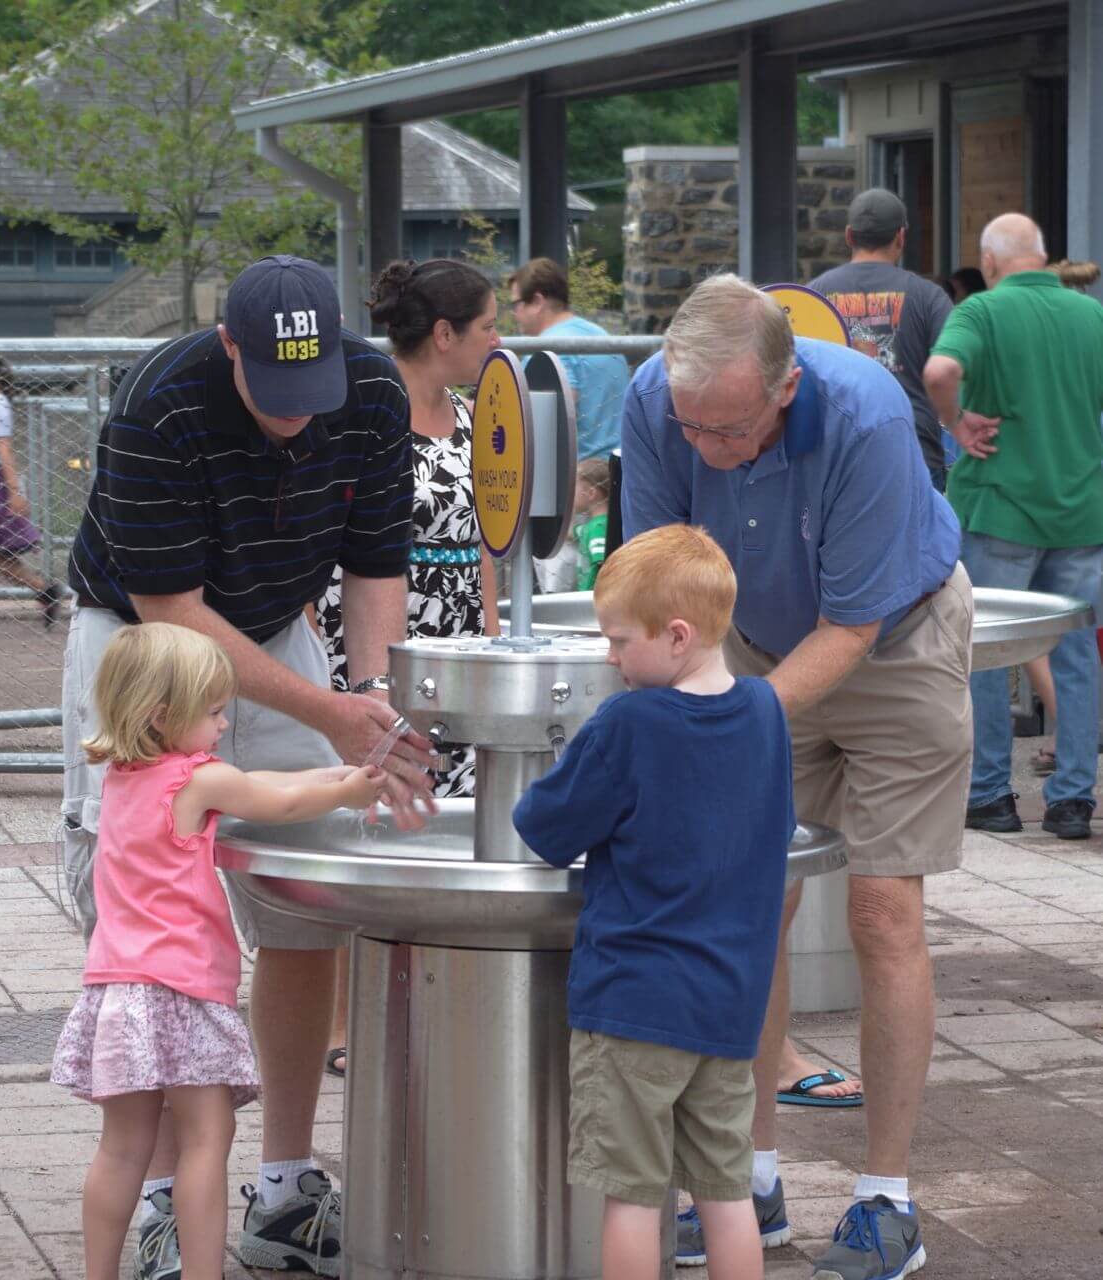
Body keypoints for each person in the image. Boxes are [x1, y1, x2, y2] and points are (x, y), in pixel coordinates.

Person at [62, 254, 435, 1280]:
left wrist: (372, 702)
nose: (294, 421)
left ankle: (282, 1187)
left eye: (308, 398)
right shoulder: (160, 408)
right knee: (136, 900)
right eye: (275, 394)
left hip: (274, 625)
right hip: (142, 635)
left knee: (305, 894)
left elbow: (373, 566)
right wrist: (331, 716)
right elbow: (171, 612)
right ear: (230, 345)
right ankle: (152, 1195)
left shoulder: (366, 395)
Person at [622, 273, 970, 1280]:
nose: (706, 452)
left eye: (726, 431)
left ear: (780, 389)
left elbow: (853, 625)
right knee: (746, 905)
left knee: (880, 912)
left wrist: (725, 721)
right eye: (690, 427)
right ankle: (745, 1176)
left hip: (891, 638)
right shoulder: (661, 399)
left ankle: (884, 1201)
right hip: (756, 642)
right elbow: (658, 568)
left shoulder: (862, 413)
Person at [51, 623, 388, 1280]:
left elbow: (263, 779)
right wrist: (350, 791)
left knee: (121, 1149)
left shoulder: (120, 778)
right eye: (211, 712)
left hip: (117, 994)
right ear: (161, 714)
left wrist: (336, 771)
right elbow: (278, 796)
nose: (223, 721)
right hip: (182, 995)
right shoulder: (195, 780)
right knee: (208, 1140)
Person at [513, 524, 794, 1280]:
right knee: (726, 1193)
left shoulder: (630, 722)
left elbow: (542, 825)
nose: (610, 657)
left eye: (616, 640)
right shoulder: (767, 710)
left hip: (634, 1002)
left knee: (634, 1198)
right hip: (730, 1004)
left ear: (675, 636)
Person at [314, 256, 501, 1077]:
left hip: (455, 640)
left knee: (440, 816)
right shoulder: (358, 410)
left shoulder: (473, 417)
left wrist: (492, 633)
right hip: (372, 639)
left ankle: (435, 1001)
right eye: (489, 326)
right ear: (445, 333)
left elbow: (494, 533)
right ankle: (342, 1024)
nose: (498, 342)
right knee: (363, 820)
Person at [925, 213, 1103, 841]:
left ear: (990, 262)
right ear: (1045, 256)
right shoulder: (1091, 315)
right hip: (1081, 509)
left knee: (986, 650)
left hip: (1001, 506)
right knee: (1078, 652)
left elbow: (940, 373)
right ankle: (1073, 800)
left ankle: (991, 795)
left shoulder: (981, 312)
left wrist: (957, 422)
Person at [809, 188, 955, 491]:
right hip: (914, 453)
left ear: (849, 236)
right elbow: (958, 366)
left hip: (835, 457)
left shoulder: (814, 296)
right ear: (901, 236)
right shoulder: (929, 298)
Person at [508, 257, 629, 592]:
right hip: (611, 483)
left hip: (570, 491)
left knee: (556, 592)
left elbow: (561, 404)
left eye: (516, 304)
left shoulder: (546, 348)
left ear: (538, 300)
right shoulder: (600, 336)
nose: (514, 315)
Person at [0, 356, 60, 626]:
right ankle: (45, 591)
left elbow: (4, 448)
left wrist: (14, 491)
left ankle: (46, 591)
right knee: (1, 559)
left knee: (1, 558)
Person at [573, 457, 610, 590]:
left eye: (574, 487)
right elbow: (575, 532)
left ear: (591, 493)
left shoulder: (598, 528)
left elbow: (602, 563)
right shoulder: (593, 526)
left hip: (592, 597)